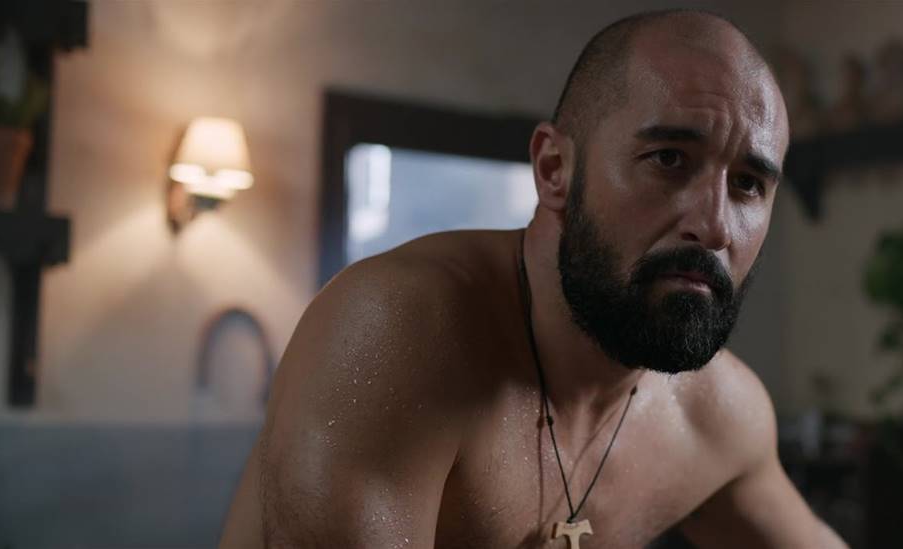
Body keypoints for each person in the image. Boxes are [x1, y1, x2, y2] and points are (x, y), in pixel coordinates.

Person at [220, 9, 849, 549]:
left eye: (749, 184)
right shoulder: (397, 334)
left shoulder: (717, 417)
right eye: (668, 159)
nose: (714, 225)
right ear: (554, 170)